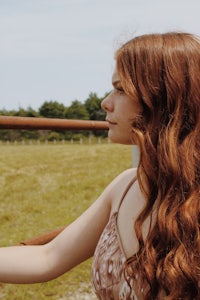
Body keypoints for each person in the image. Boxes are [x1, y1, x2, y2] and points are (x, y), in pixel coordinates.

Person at [0, 31, 199, 300]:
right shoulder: (125, 186)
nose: (105, 103)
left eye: (120, 89)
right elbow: (48, 256)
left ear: (162, 99)